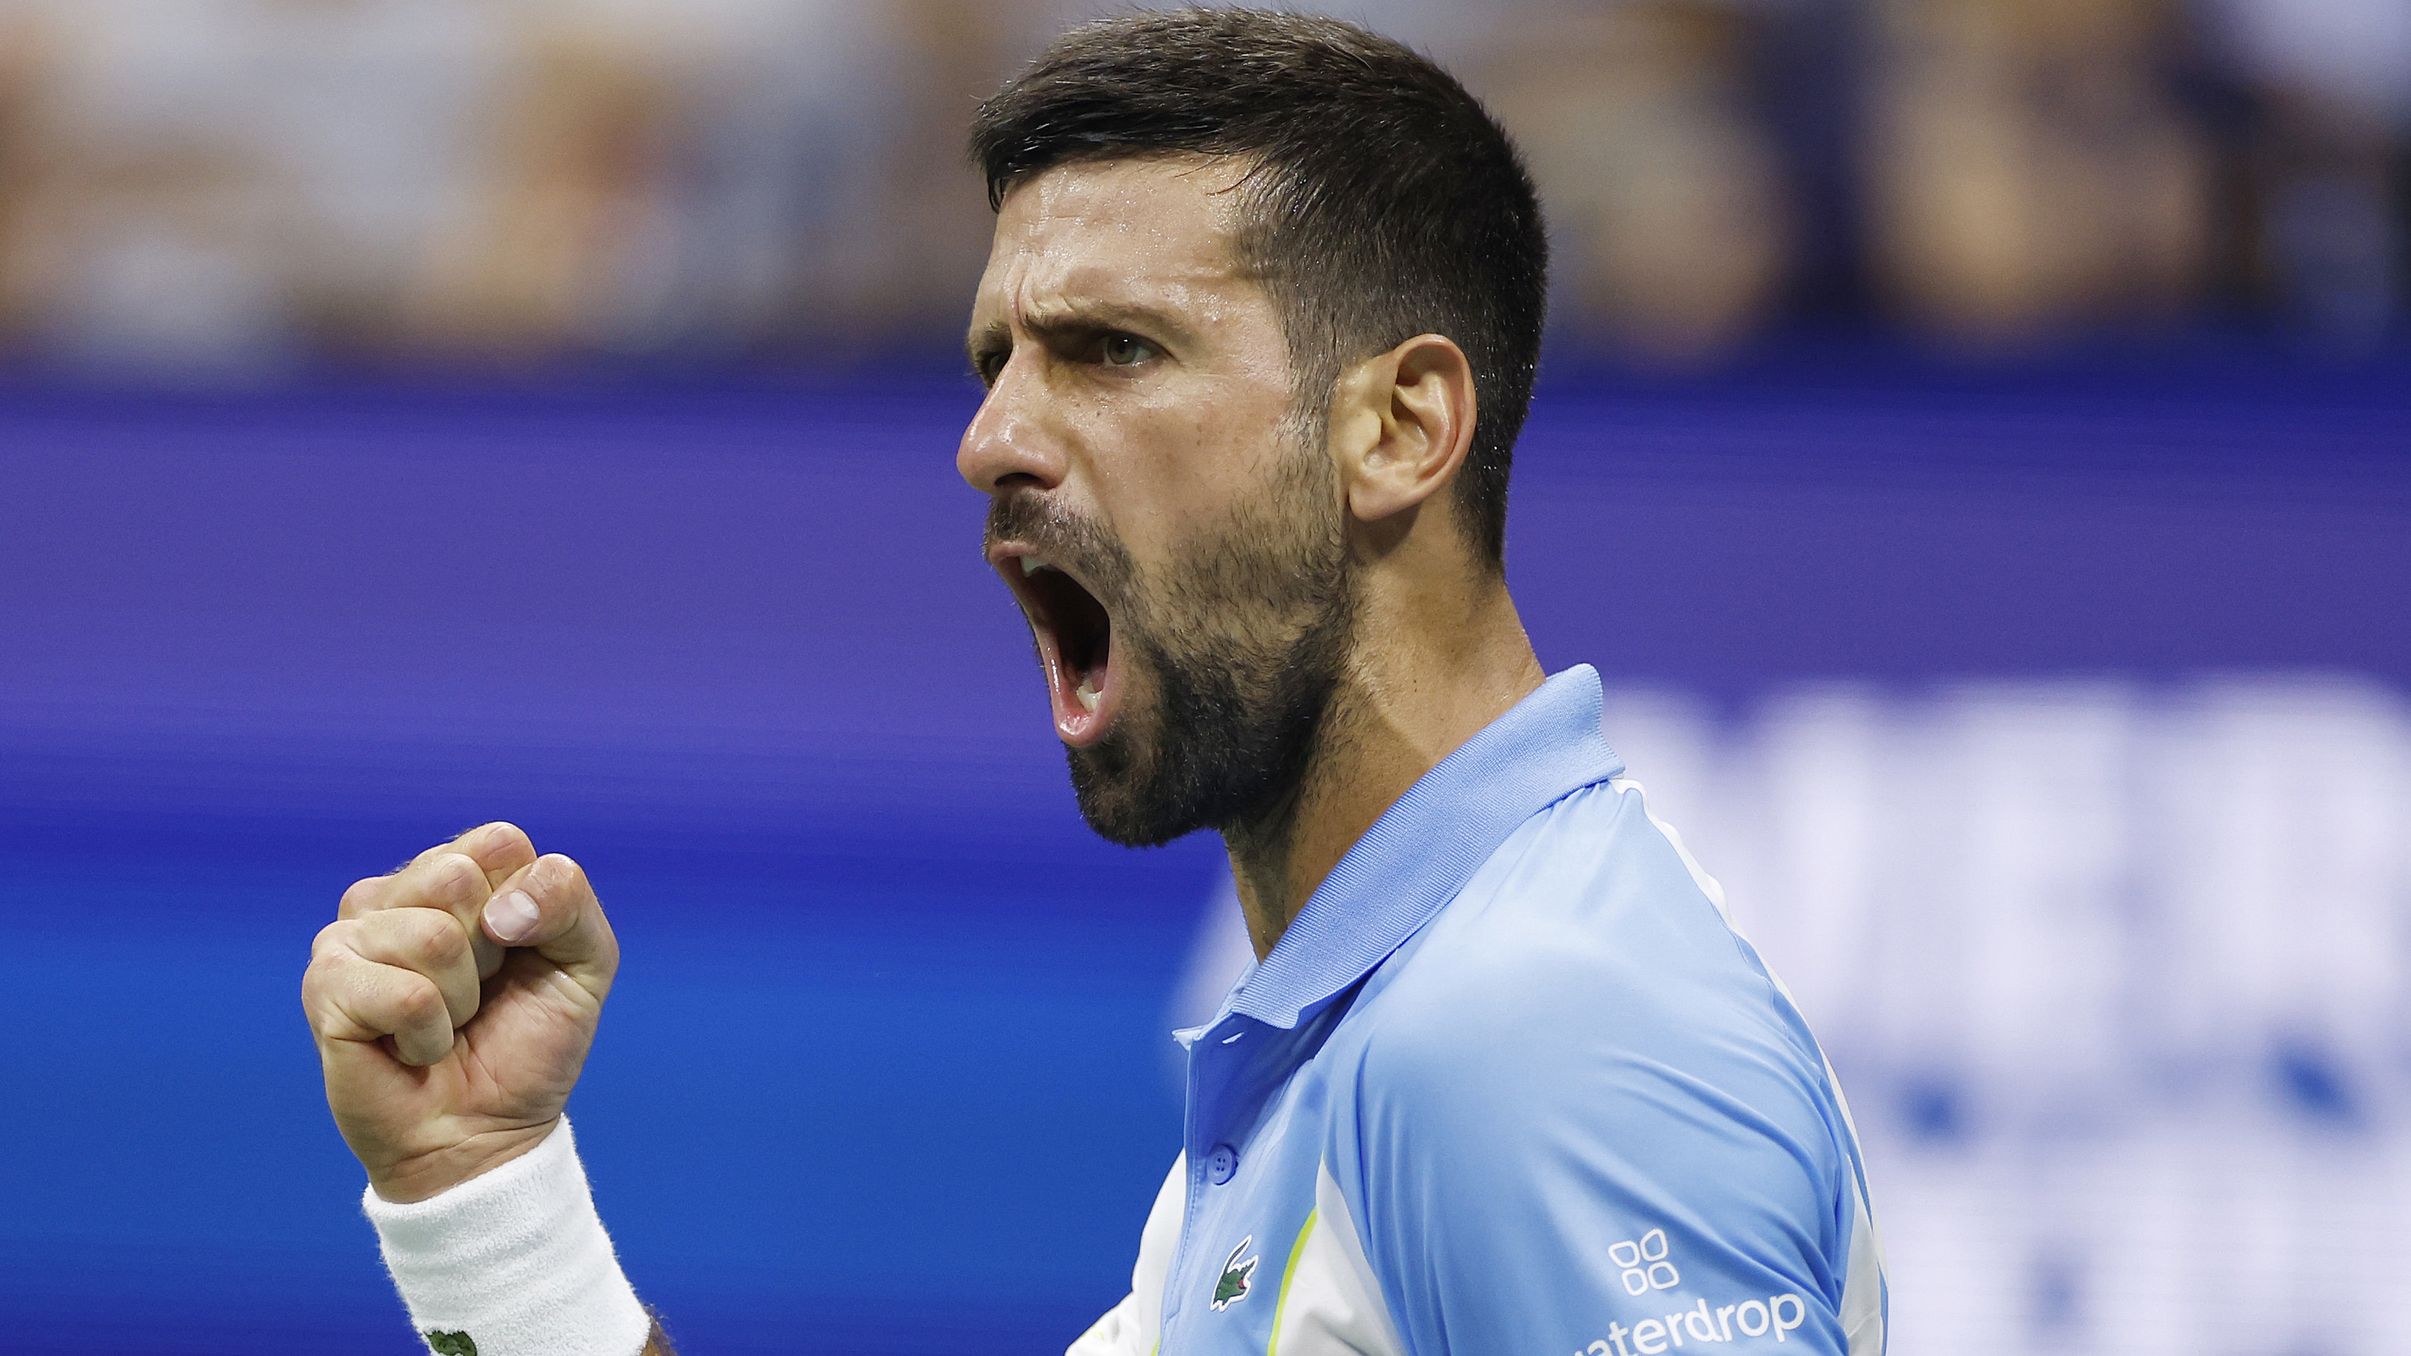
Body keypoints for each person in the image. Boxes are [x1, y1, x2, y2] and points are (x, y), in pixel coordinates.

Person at [299, 11, 1888, 1356]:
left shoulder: (1533, 1036)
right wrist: (484, 1190)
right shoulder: (1366, 1043)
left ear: (1399, 428)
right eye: (997, 358)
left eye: (1113, 350)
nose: (991, 438)